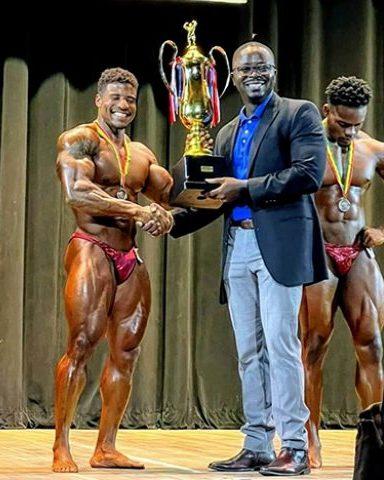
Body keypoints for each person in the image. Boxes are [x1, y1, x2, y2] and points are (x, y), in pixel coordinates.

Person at [165, 41, 328, 476]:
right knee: (248, 352)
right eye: (244, 69)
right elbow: (217, 199)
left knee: (281, 346)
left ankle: (293, 445)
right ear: (232, 78)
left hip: (277, 244)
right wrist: (172, 220)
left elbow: (309, 173)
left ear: (274, 72)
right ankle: (257, 442)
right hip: (236, 246)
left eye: (261, 67)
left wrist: (245, 187)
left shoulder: (299, 113)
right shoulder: (225, 131)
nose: (253, 74)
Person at [53, 67, 173, 473]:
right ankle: (61, 446)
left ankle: (106, 447)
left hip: (129, 257)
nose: (124, 106)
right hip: (91, 249)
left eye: (131, 100)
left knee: (126, 352)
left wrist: (167, 213)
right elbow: (78, 192)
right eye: (116, 98)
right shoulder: (80, 140)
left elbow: (171, 193)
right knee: (83, 343)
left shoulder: (142, 155)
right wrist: (140, 210)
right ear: (99, 101)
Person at [300, 76, 384, 469]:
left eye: (357, 124)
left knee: (372, 346)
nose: (351, 132)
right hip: (317, 253)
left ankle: (376, 437)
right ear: (326, 110)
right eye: (343, 124)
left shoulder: (372, 149)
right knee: (313, 345)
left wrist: (382, 232)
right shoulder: (305, 145)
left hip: (358, 252)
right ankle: (309, 436)